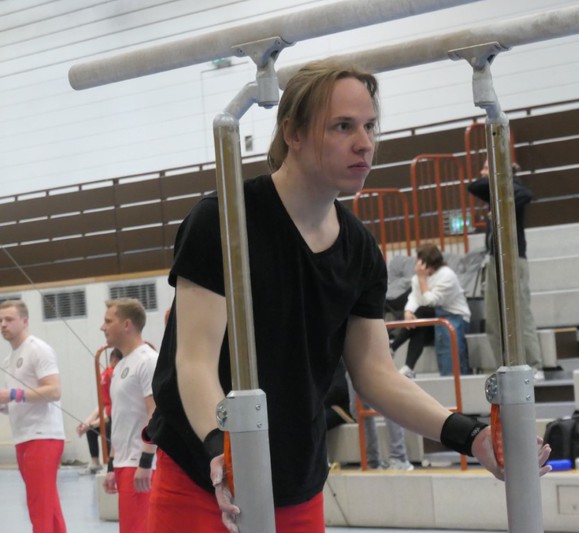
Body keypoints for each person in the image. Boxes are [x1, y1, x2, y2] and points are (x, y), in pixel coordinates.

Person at [145, 59, 551, 533]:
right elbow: (193, 362)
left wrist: (471, 435)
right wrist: (222, 449)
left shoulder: (359, 249)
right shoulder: (223, 221)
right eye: (343, 126)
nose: (365, 143)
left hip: (296, 482)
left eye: (369, 126)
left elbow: (376, 374)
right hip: (203, 477)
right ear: (293, 133)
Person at [467, 160, 544, 378]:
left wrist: (503, 203)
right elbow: (473, 186)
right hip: (494, 260)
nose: (481, 172)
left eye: (486, 168)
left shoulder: (513, 188)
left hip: (514, 259)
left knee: (521, 314)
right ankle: (504, 367)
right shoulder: (493, 191)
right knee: (493, 321)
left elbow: (527, 195)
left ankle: (535, 365)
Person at [0, 299, 66, 533]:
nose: (3, 324)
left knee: (39, 505)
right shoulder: (8, 360)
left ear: (25, 321)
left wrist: (12, 394)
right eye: (0, 320)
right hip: (23, 437)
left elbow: (54, 390)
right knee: (48, 505)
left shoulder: (38, 349)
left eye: (9, 319)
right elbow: (18, 400)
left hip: (43, 436)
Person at [101, 298, 158, 533]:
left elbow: (155, 413)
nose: (102, 327)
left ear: (126, 325)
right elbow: (119, 421)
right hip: (124, 464)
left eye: (108, 321)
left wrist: (146, 462)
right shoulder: (120, 367)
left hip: (141, 464)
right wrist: (111, 466)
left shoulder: (147, 360)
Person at [403, 243, 471, 377]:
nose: (417, 265)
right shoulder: (419, 277)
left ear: (427, 264)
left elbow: (430, 301)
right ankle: (407, 365)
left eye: (420, 261)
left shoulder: (447, 275)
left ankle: (394, 349)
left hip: (455, 316)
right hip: (434, 316)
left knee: (426, 316)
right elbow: (414, 297)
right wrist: (408, 312)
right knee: (418, 322)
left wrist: (422, 280)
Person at [76, 347, 122, 475]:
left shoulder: (111, 375)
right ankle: (95, 462)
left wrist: (92, 423)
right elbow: (102, 404)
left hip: (115, 416)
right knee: (91, 430)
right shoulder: (108, 375)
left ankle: (109, 464)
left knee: (106, 429)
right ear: (115, 360)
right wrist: (86, 423)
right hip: (110, 414)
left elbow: (114, 408)